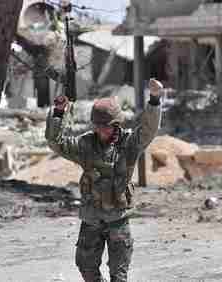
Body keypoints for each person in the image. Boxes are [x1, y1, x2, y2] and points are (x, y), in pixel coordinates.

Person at [45, 78, 163, 282]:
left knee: (119, 275)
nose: (102, 130)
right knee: (86, 267)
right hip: (91, 217)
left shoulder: (129, 143)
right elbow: (56, 143)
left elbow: (148, 130)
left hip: (118, 218)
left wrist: (154, 99)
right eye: (98, 126)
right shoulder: (85, 144)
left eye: (107, 126)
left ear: (116, 123)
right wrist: (58, 113)